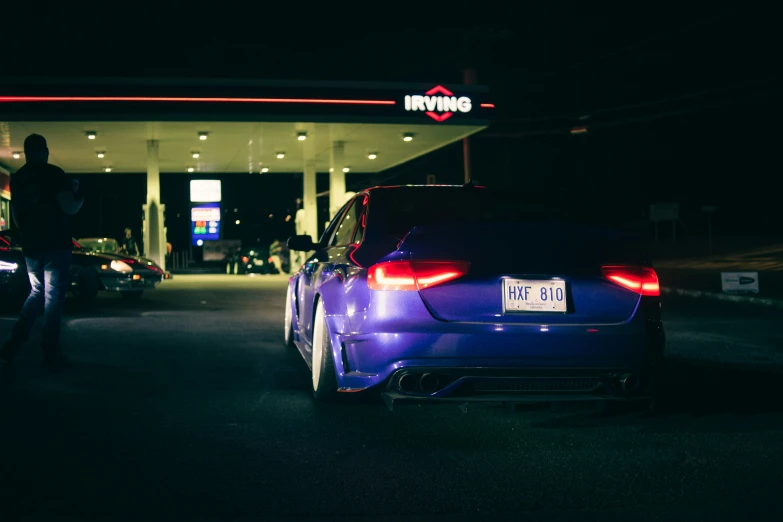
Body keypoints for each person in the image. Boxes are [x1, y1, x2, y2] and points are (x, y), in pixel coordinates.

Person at [1, 134, 84, 367]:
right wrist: (78, 192)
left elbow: (17, 214)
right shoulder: (54, 174)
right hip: (56, 243)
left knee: (37, 291)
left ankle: (14, 341)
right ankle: (50, 351)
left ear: (27, 153)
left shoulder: (18, 179)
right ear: (45, 151)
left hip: (32, 246)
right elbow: (69, 206)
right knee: (54, 298)